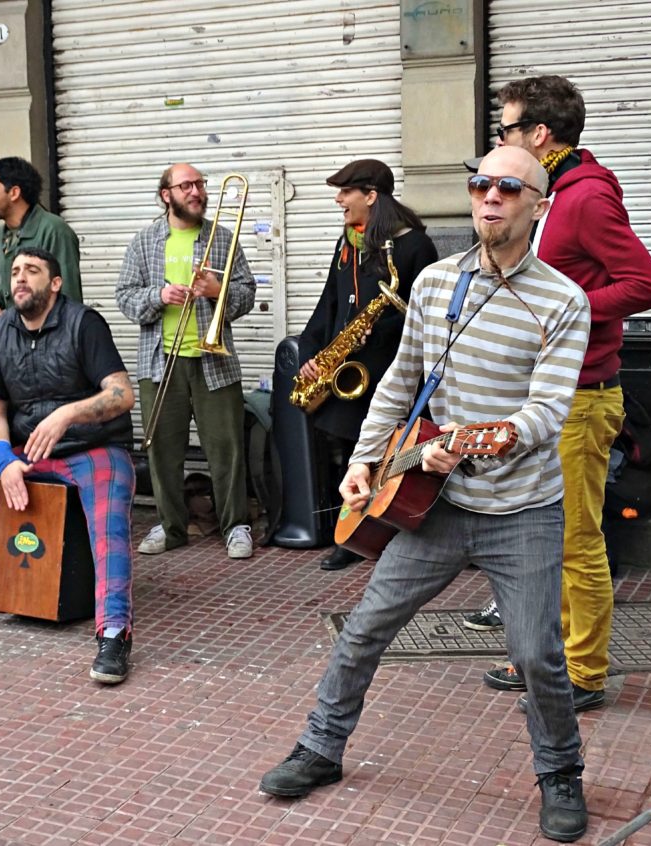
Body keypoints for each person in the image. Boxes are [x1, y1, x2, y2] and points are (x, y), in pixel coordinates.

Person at [258, 146, 593, 843]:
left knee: (536, 653)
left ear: (539, 203)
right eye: (480, 185)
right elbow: (400, 381)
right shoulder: (438, 283)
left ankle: (560, 771)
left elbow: (547, 412)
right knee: (365, 628)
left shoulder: (564, 300)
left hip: (523, 509)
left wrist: (488, 436)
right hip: (435, 504)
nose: (490, 196)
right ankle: (320, 747)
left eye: (508, 186)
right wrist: (364, 461)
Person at [470, 76, 651, 714]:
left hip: (582, 397)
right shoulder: (549, 195)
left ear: (539, 134)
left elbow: (645, 284)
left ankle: (583, 671)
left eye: (507, 130)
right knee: (540, 536)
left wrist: (570, 309)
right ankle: (541, 655)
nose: (499, 142)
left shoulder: (584, 198)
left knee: (577, 539)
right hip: (544, 395)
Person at [0, 247, 137, 684]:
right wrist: (4, 458)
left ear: (56, 283)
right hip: (29, 452)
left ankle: (114, 634)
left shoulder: (84, 323)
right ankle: (40, 565)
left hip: (95, 447)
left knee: (109, 529)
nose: (20, 279)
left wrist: (69, 413)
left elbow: (123, 394)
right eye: (14, 272)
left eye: (32, 271)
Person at [296, 159, 438, 571]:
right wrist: (311, 352)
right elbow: (331, 301)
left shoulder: (413, 245)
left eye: (345, 192)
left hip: (388, 368)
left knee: (386, 453)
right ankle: (353, 530)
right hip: (347, 370)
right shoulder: (348, 242)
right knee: (344, 449)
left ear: (371, 196)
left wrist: (375, 331)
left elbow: (422, 316)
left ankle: (386, 528)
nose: (339, 200)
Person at [115, 163, 257, 559]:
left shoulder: (224, 238)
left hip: (215, 361)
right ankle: (171, 526)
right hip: (160, 361)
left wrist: (217, 291)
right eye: (186, 185)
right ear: (167, 195)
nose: (196, 192)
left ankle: (236, 525)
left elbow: (247, 294)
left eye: (199, 184)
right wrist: (157, 297)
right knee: (162, 449)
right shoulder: (144, 242)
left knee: (226, 447)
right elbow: (124, 297)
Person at [0, 156, 82, 330]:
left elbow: (69, 297)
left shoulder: (53, 230)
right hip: (18, 341)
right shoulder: (3, 235)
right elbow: (9, 285)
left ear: (14, 193)